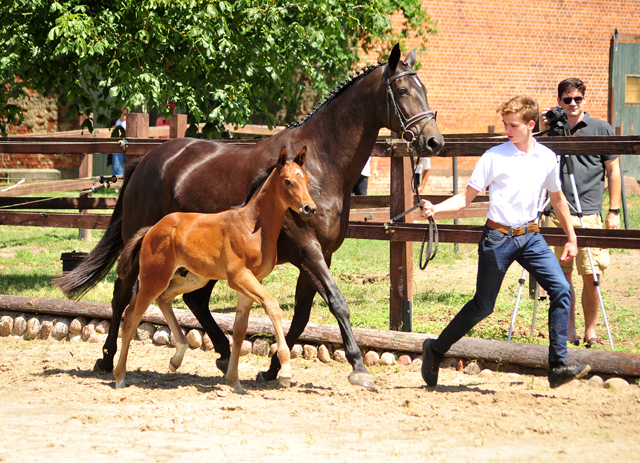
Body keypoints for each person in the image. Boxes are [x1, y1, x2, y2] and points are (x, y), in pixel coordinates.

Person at [419, 95, 590, 389]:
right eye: (505, 124)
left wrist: (572, 237)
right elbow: (464, 199)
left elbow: (558, 199)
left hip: (532, 237)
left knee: (561, 289)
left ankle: (558, 366)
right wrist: (435, 208)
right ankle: (435, 349)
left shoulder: (547, 158)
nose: (507, 129)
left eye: (513, 125)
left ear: (531, 125)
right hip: (497, 238)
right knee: (483, 306)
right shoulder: (494, 156)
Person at [543, 78, 621, 348]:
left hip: (589, 212)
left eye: (577, 99)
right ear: (559, 102)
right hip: (556, 213)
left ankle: (591, 332)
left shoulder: (601, 128)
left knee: (591, 275)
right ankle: (568, 331)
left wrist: (614, 210)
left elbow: (613, 171)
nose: (572, 104)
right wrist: (541, 128)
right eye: (567, 100)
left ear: (585, 100)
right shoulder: (551, 130)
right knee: (561, 276)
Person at [111, 109, 126, 193]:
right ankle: (116, 186)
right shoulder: (116, 122)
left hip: (127, 147)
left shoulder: (128, 122)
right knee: (117, 167)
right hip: (118, 148)